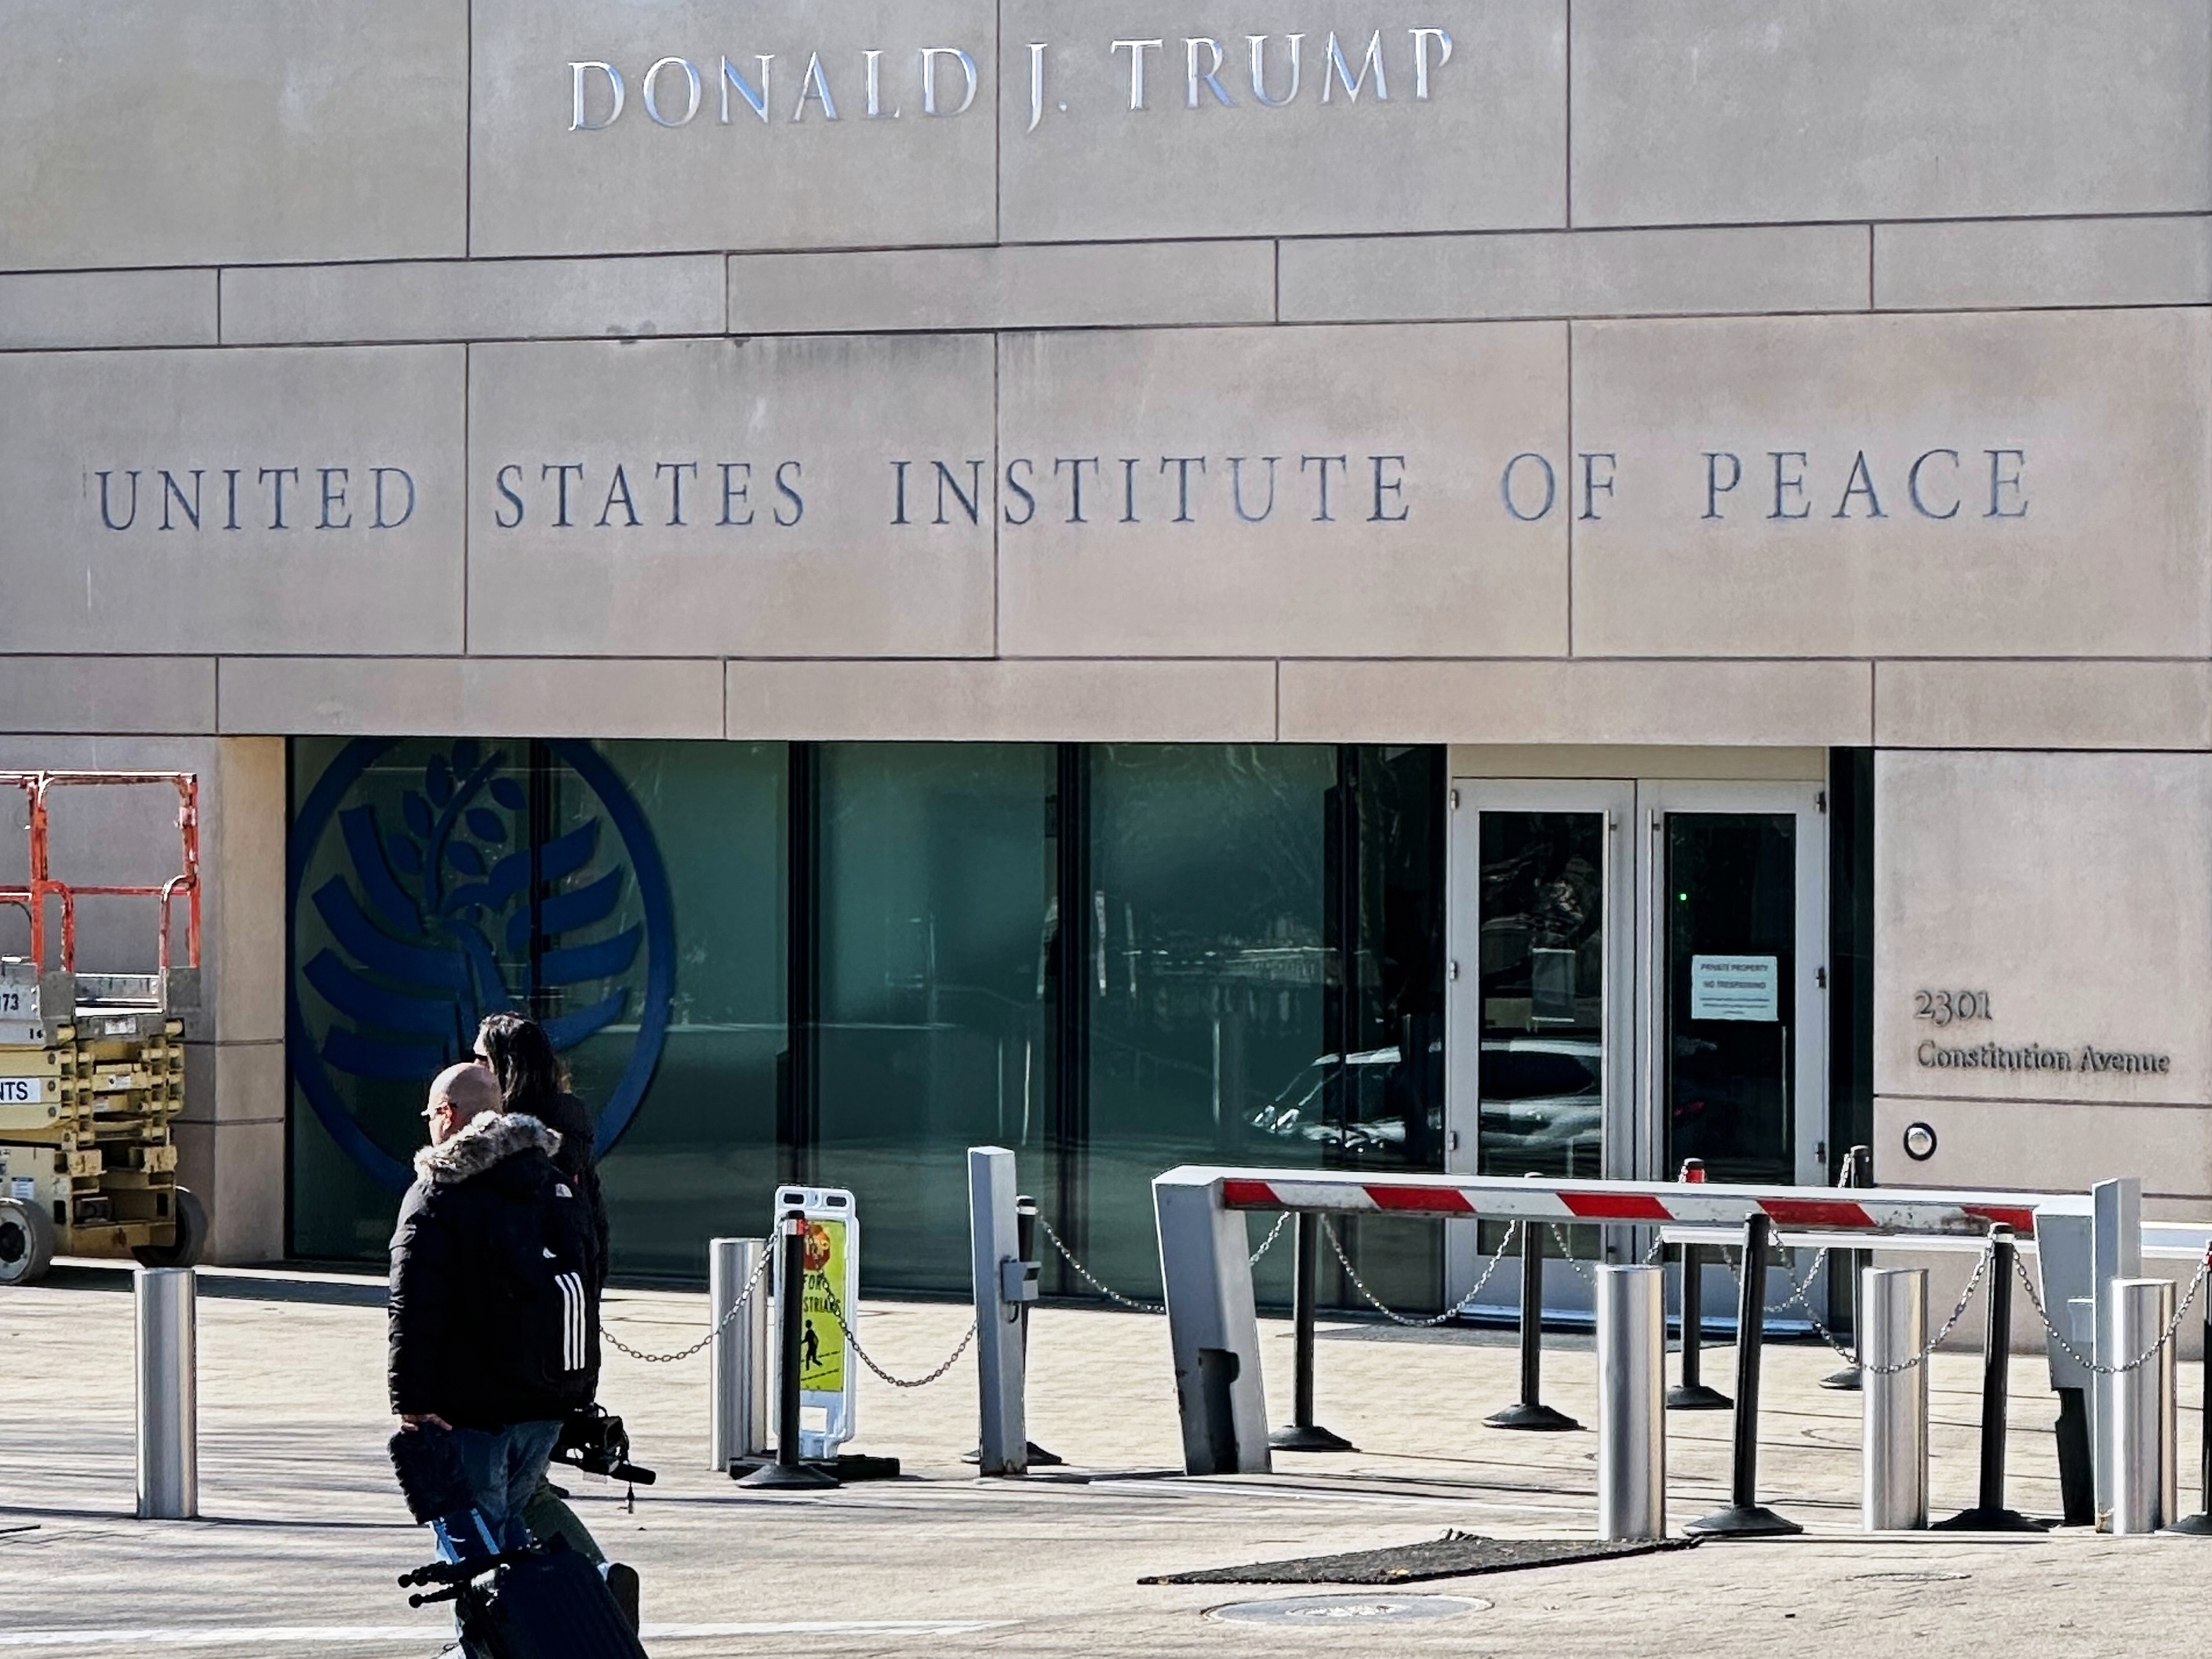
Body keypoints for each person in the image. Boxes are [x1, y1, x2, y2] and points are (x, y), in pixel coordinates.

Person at [388, 1061, 600, 1559]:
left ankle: (485, 1636)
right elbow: (584, 1288)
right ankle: (582, 1595)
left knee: (471, 1548)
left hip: (469, 1405)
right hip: (544, 1400)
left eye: (430, 1115)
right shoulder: (551, 1181)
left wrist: (411, 1399)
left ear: (447, 1113)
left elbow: (412, 1303)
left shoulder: (437, 1191)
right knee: (512, 1531)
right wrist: (577, 1390)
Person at [471, 1014, 619, 1576]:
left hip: (528, 1351)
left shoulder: (532, 1150)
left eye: (482, 1061)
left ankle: (596, 1589)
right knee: (523, 1489)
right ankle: (581, 1595)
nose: (471, 1070)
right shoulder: (566, 1142)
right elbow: (594, 1247)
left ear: (508, 1071)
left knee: (518, 1491)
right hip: (558, 1347)